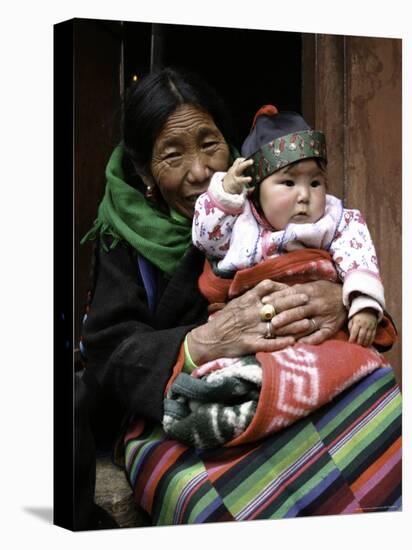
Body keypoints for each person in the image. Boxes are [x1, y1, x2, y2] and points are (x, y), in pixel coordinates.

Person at [76, 68, 400, 530]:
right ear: (145, 171)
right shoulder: (121, 239)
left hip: (291, 373)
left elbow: (345, 255)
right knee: (216, 502)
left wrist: (342, 299)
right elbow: (109, 356)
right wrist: (205, 341)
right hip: (180, 407)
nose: (200, 171)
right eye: (172, 155)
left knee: (380, 428)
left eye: (210, 145)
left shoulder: (271, 204)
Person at [192, 105, 384, 347]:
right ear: (256, 191)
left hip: (320, 331)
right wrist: (225, 194)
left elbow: (360, 257)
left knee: (355, 365)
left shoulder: (335, 220)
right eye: (289, 182)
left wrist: (363, 303)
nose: (304, 195)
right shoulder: (242, 221)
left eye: (315, 182)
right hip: (249, 332)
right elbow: (206, 240)